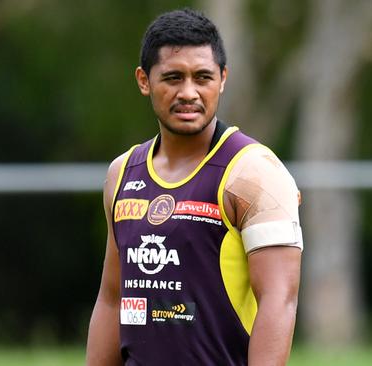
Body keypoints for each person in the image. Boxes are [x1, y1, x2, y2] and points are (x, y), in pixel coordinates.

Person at [86, 8, 303, 366]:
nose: (189, 92)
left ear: (222, 79)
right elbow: (111, 298)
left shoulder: (255, 173)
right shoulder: (122, 173)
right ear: (144, 80)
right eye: (173, 77)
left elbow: (280, 299)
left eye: (202, 77)